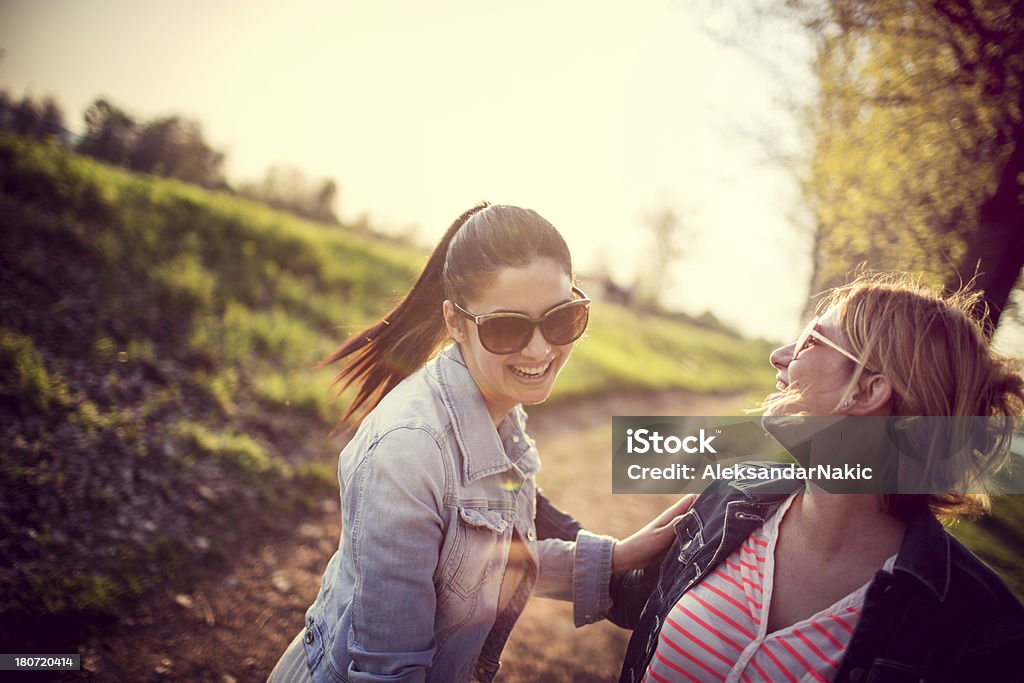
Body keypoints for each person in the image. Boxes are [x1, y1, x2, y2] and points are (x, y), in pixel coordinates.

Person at [268, 203, 692, 683]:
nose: (539, 349)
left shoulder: (499, 411)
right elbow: (386, 671)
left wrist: (618, 555)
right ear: (455, 322)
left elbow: (484, 565)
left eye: (561, 319)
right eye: (508, 327)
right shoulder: (410, 452)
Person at [609, 273, 1024, 683]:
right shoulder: (733, 494)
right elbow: (630, 598)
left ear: (866, 390)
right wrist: (603, 556)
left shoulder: (979, 626)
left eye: (811, 341)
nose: (779, 354)